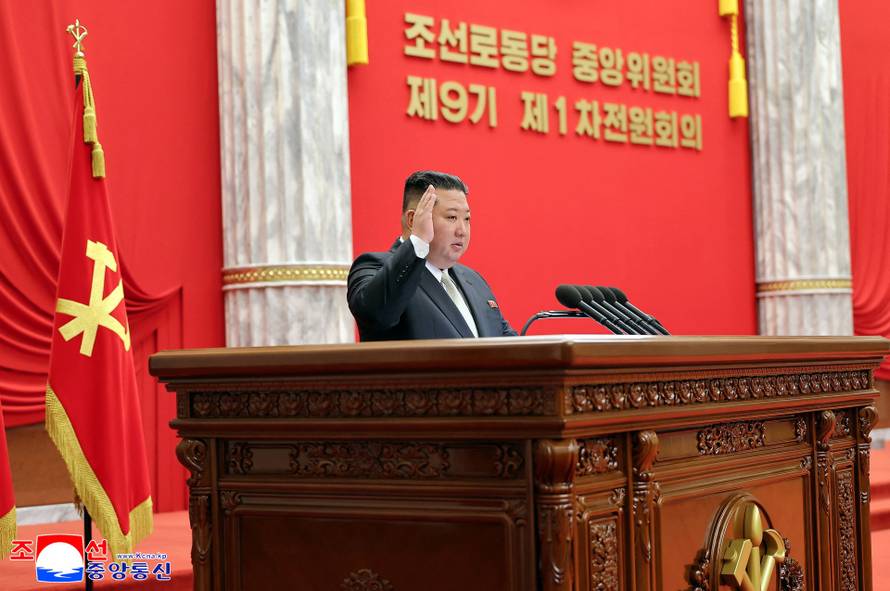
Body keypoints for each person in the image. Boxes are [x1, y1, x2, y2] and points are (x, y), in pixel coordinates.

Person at [347, 170, 517, 341]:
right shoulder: (374, 267)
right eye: (451, 217)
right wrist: (419, 241)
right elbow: (377, 315)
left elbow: (508, 344)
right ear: (413, 220)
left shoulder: (473, 280)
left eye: (467, 219)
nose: (462, 231)